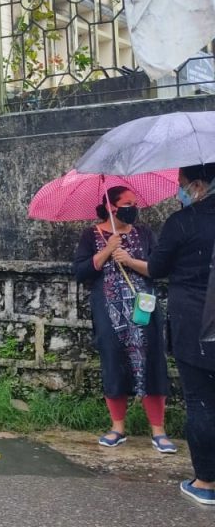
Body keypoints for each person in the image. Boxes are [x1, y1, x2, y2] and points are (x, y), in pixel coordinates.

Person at [73, 186, 173, 454]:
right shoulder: (90, 235)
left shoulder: (144, 234)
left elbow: (158, 268)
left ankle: (158, 430)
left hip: (144, 310)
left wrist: (129, 260)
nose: (133, 207)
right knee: (113, 363)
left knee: (153, 362)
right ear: (111, 207)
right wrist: (107, 250)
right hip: (110, 314)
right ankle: (118, 428)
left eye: (135, 202)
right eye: (128, 203)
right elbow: (81, 272)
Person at [143, 164, 215, 505]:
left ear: (198, 186)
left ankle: (205, 483)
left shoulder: (181, 222)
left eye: (182, 185)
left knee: (201, 403)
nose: (180, 191)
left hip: (196, 324)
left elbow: (157, 269)